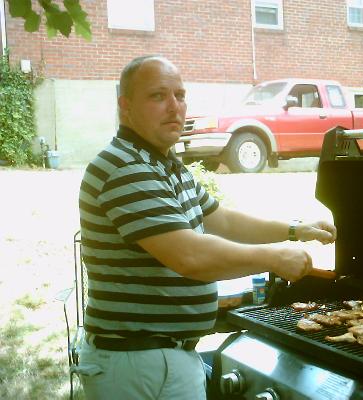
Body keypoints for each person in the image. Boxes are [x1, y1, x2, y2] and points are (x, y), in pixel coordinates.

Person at [77, 54, 336, 400]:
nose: (174, 107)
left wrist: (295, 229)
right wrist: (273, 258)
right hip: (136, 364)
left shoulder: (166, 164)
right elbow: (190, 257)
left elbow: (223, 220)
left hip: (165, 357)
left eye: (180, 95)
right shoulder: (125, 167)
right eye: (158, 96)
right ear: (125, 107)